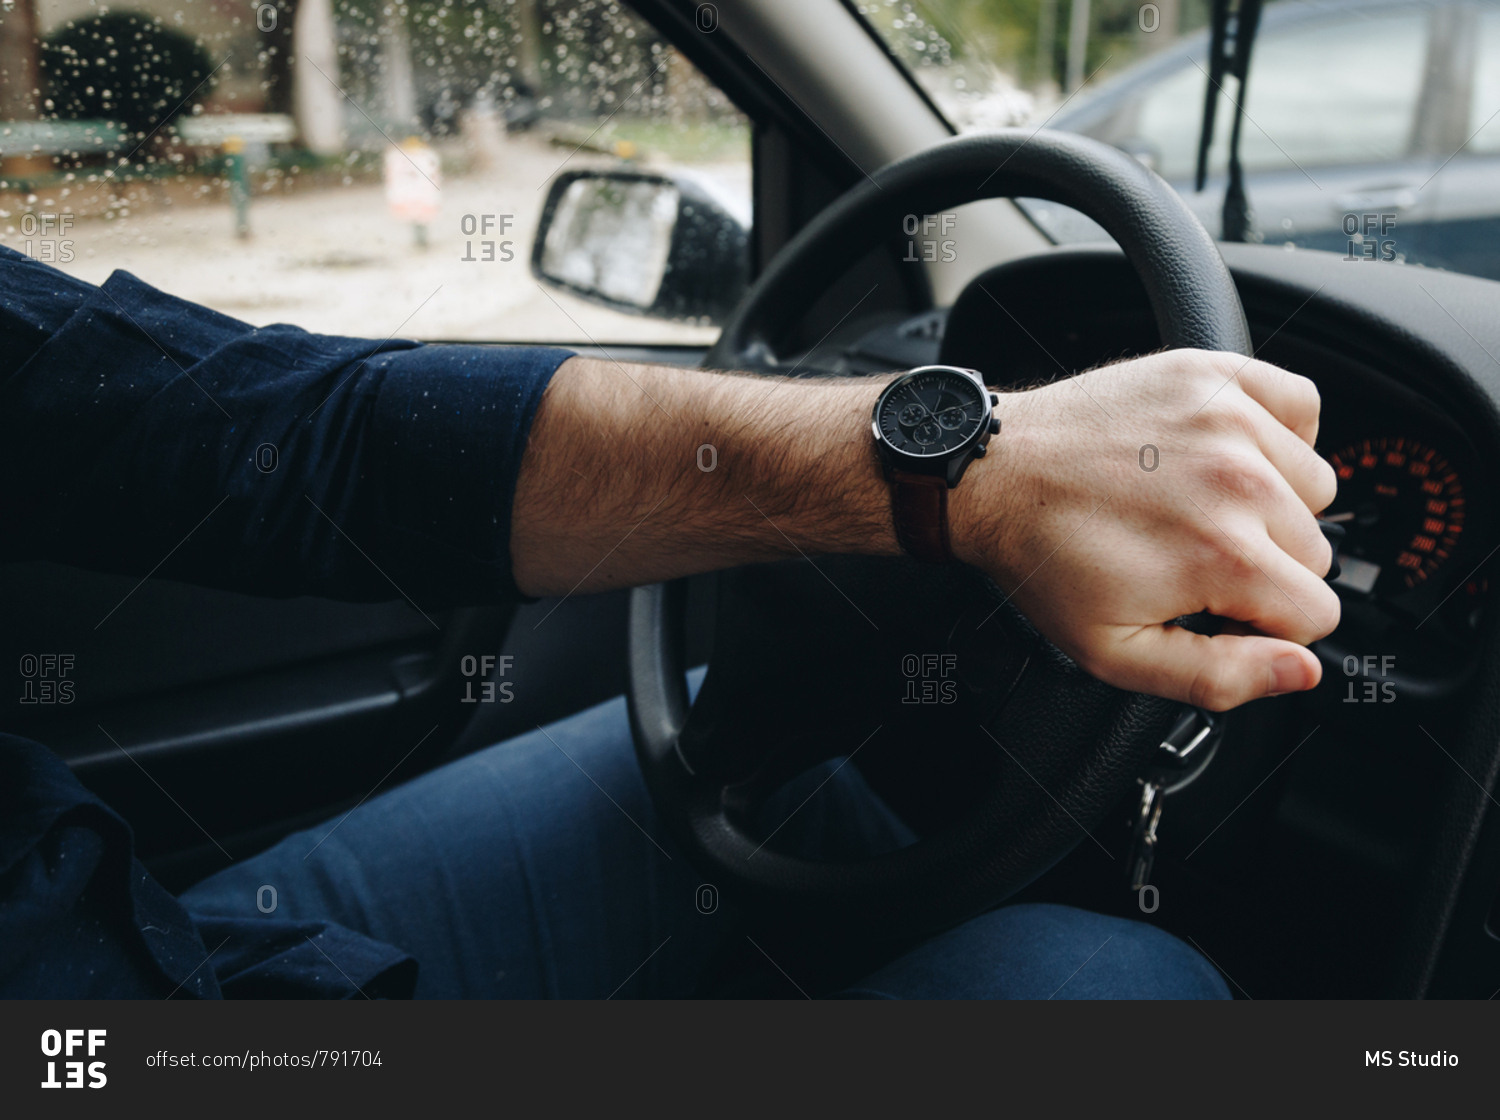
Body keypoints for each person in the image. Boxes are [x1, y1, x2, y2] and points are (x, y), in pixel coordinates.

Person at [0, 242, 1336, 998]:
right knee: (1103, 983)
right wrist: (967, 473)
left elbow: (281, 437)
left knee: (768, 782)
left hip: (125, 924)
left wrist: (964, 469)